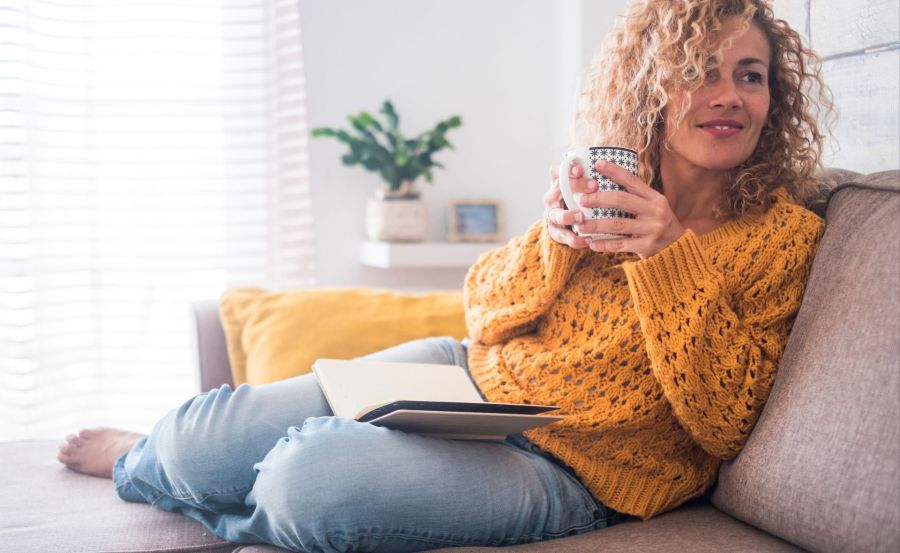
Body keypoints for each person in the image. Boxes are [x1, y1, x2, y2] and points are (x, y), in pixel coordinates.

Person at [57, 0, 833, 551]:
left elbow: (727, 421)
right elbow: (486, 311)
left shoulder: (785, 237)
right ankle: (148, 461)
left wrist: (667, 260)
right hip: (467, 378)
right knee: (199, 437)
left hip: (580, 472)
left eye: (752, 75)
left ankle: (247, 505)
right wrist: (555, 238)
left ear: (776, 96)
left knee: (307, 482)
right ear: (652, 89)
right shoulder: (603, 186)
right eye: (700, 70)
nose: (729, 95)